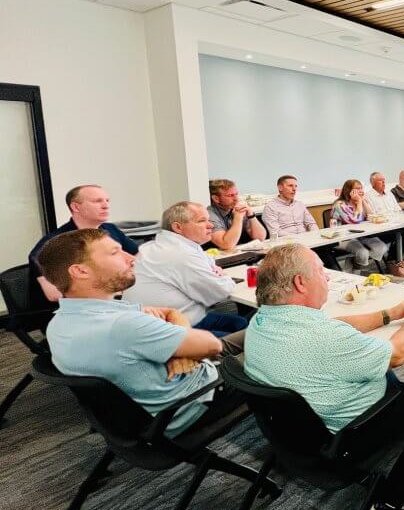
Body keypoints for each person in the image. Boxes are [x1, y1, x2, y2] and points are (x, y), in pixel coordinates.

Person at [243, 243, 404, 510]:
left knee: (390, 378)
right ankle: (399, 498)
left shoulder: (263, 320)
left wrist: (389, 314)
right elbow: (397, 354)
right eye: (320, 271)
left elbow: (337, 325)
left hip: (294, 434)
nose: (327, 277)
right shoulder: (325, 340)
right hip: (348, 435)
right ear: (300, 282)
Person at [36, 229, 245, 437]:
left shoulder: (58, 324)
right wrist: (173, 315)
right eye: (115, 252)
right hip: (195, 401)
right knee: (272, 346)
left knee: (249, 333)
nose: (130, 258)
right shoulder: (124, 325)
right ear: (80, 271)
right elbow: (212, 346)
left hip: (137, 418)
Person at [123, 202, 247, 335]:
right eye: (202, 221)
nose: (210, 225)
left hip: (161, 320)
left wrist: (215, 272)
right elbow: (221, 291)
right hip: (169, 330)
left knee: (240, 324)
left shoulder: (161, 245)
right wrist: (224, 277)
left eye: (209, 220)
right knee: (241, 337)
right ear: (178, 227)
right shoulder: (180, 254)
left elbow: (210, 264)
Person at [28, 184, 139, 305]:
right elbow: (55, 294)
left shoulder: (109, 229)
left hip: (110, 302)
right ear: (76, 207)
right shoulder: (54, 243)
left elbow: (137, 257)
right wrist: (116, 284)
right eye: (97, 201)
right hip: (69, 312)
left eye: (107, 201)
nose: (106, 206)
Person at [331, 179, 402, 274]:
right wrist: (360, 202)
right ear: (348, 190)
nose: (361, 191)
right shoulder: (340, 204)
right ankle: (356, 273)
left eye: (361, 188)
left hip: (362, 235)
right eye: (357, 188)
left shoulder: (359, 202)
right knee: (362, 253)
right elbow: (354, 221)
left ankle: (355, 261)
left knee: (381, 248)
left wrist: (363, 201)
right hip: (343, 238)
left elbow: (372, 216)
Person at [208, 178, 267, 250]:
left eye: (236, 194)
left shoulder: (235, 208)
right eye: (230, 195)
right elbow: (226, 245)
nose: (236, 198)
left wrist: (251, 215)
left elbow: (260, 238)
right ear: (216, 198)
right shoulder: (209, 215)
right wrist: (238, 218)